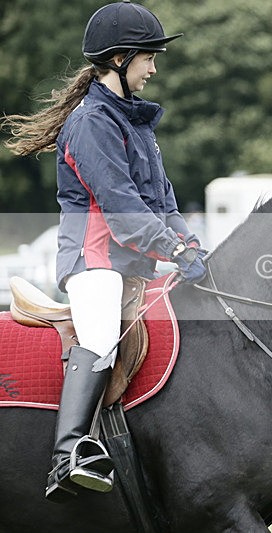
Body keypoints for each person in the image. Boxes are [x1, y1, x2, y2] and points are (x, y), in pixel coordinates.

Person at [2, 1, 206, 501]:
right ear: (120, 59)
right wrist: (172, 249)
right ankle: (69, 451)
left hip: (132, 263)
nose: (154, 68)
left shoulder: (137, 125)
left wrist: (191, 241)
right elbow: (121, 208)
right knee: (99, 331)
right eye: (148, 58)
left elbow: (162, 201)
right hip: (94, 263)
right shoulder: (91, 122)